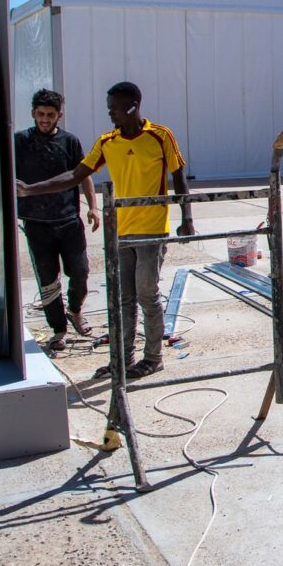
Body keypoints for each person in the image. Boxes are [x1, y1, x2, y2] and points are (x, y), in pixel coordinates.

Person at [16, 81, 193, 381]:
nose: (110, 113)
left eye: (114, 108)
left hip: (152, 231)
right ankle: (122, 359)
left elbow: (179, 176)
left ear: (132, 107)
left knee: (147, 295)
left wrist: (186, 217)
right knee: (123, 299)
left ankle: (153, 358)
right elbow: (75, 175)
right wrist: (30, 190)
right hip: (120, 232)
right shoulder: (107, 142)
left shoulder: (160, 136)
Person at [14, 89, 99, 353]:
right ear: (33, 113)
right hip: (36, 222)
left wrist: (93, 207)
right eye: (40, 114)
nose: (45, 119)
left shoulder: (69, 141)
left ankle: (75, 310)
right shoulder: (20, 141)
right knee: (48, 279)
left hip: (69, 219)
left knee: (80, 272)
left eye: (50, 115)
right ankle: (58, 329)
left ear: (59, 115)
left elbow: (83, 174)